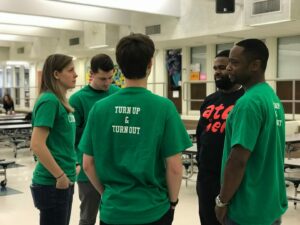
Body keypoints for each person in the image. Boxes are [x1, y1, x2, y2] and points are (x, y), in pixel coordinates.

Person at [79, 33, 192, 225]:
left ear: (119, 68)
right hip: (153, 210)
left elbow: (88, 163)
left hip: (113, 211)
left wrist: (107, 194)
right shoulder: (163, 108)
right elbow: (174, 167)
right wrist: (173, 203)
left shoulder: (99, 108)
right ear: (150, 64)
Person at [215, 39, 288, 225]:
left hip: (248, 210)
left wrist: (222, 201)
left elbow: (238, 160)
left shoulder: (248, 103)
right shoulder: (271, 97)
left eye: (235, 63)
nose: (228, 68)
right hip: (268, 206)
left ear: (255, 65)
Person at [69, 54, 120, 225]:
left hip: (114, 169)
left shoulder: (117, 94)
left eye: (110, 78)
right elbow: (72, 138)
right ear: (91, 74)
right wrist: (77, 162)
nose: (107, 83)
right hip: (88, 170)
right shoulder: (77, 100)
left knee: (112, 217)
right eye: (102, 78)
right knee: (88, 217)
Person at [196, 50, 244, 225]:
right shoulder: (209, 100)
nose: (217, 71)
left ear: (232, 68)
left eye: (222, 67)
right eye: (215, 68)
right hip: (206, 178)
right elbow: (201, 135)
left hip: (231, 179)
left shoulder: (244, 100)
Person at [30, 54, 78, 225]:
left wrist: (74, 166)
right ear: (56, 74)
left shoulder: (60, 101)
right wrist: (60, 176)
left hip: (63, 180)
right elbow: (36, 144)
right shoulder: (49, 100)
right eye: (71, 70)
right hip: (52, 183)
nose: (76, 74)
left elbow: (63, 142)